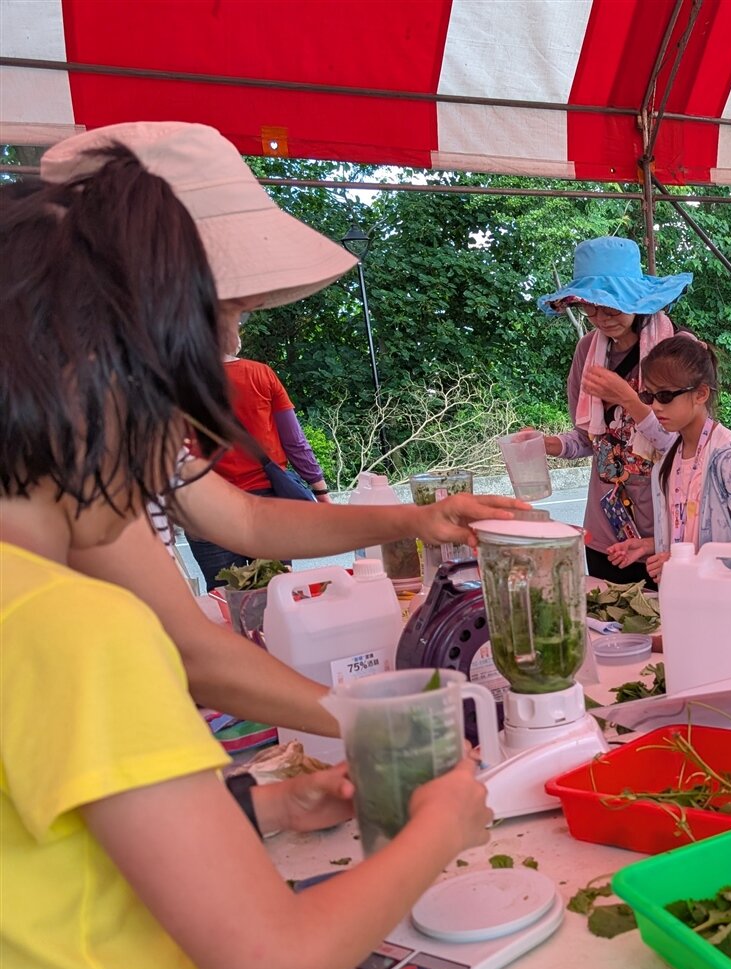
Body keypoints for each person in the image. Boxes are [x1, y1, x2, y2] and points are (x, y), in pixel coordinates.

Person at [0, 147, 491, 969]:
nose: (168, 464)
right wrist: (441, 821)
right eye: (170, 407)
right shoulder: (86, 629)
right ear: (94, 381)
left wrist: (263, 802)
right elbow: (273, 968)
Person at [39, 123, 526, 739]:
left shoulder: (123, 404)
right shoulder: (77, 426)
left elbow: (246, 520)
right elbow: (191, 651)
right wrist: (392, 726)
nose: (235, 329)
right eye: (229, 305)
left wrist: (415, 519)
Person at [526, 237, 691, 583]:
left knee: (667, 632)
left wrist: (629, 398)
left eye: (611, 306)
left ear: (635, 298)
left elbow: (684, 446)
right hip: (604, 532)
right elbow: (589, 438)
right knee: (609, 632)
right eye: (591, 307)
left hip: (662, 535)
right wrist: (547, 444)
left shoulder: (676, 349)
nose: (600, 318)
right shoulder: (588, 350)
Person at [600, 335, 731, 582]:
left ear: (701, 394)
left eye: (665, 396)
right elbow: (689, 532)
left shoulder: (727, 457)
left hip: (728, 605)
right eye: (649, 396)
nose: (655, 407)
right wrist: (650, 545)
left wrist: (690, 562)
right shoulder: (669, 457)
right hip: (687, 599)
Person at [185, 306, 336, 589]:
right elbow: (295, 442)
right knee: (275, 598)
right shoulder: (261, 375)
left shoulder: (177, 385)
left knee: (228, 600)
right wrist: (320, 491)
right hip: (266, 504)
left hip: (207, 505)